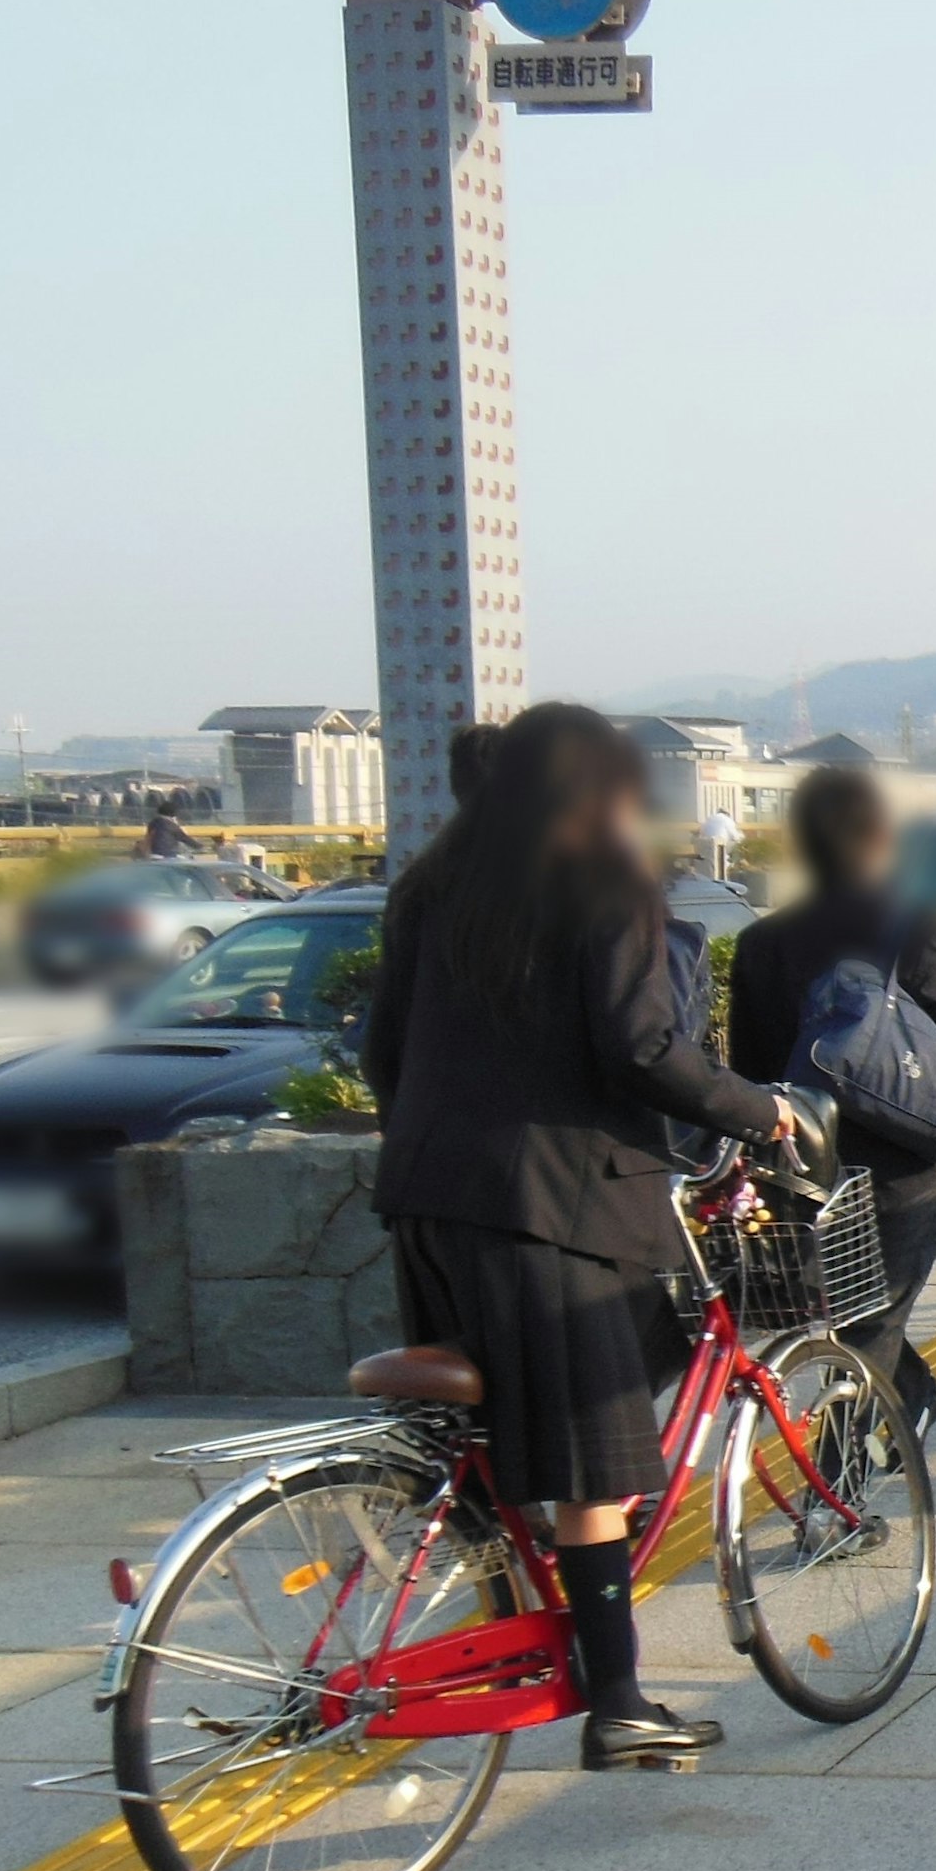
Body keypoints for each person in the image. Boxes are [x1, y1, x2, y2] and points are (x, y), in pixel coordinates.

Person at [361, 703, 797, 1772]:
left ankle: (517, 1640)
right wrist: (758, 1109)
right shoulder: (605, 876)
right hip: (554, 1211)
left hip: (427, 1197)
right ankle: (622, 1701)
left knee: (496, 1452)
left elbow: (383, 1051)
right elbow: (644, 1044)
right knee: (589, 1472)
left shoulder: (437, 882)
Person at [726, 764, 936, 1435]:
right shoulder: (914, 922)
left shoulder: (759, 944)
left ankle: (890, 1423)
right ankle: (839, 1496)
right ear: (879, 835)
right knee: (874, 1322)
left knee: (856, 1315)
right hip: (907, 1167)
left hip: (809, 1173)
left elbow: (749, 1072)